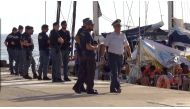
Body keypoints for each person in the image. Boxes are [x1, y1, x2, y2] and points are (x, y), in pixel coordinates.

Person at [103, 19, 131, 93]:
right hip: (112, 56)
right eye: (118, 26)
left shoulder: (123, 35)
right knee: (114, 72)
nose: (119, 27)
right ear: (114, 27)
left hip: (120, 56)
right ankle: (118, 87)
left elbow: (127, 46)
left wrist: (129, 54)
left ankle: (112, 88)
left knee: (117, 73)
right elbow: (104, 45)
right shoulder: (110, 35)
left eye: (120, 26)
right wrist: (103, 56)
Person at [73, 18, 98, 94]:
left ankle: (78, 87)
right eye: (92, 25)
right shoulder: (87, 33)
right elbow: (88, 46)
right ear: (88, 25)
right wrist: (96, 47)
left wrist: (81, 45)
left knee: (83, 72)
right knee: (90, 73)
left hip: (83, 55)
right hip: (88, 55)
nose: (93, 26)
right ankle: (89, 89)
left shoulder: (81, 31)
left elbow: (76, 38)